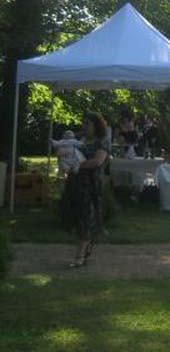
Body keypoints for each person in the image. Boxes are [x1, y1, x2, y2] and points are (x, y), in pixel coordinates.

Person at [69, 112, 109, 268]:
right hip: (75, 183)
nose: (84, 126)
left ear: (96, 125)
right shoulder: (78, 139)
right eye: (83, 123)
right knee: (79, 217)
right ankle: (87, 245)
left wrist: (78, 165)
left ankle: (80, 255)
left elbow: (98, 161)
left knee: (86, 218)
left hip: (91, 185)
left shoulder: (102, 141)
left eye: (87, 124)